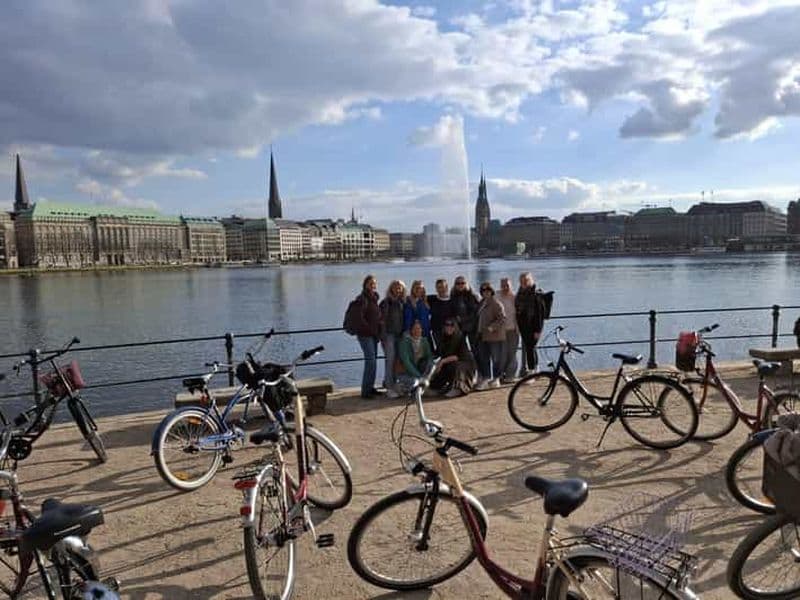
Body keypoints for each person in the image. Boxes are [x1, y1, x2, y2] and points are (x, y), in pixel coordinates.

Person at [352, 274, 383, 399]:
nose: (373, 285)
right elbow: (359, 318)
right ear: (365, 285)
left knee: (374, 361)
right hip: (365, 335)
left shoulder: (374, 298)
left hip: (374, 335)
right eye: (370, 283)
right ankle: (365, 391)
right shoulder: (362, 298)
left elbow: (376, 315)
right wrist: (369, 329)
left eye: (374, 283)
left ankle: (371, 387)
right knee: (370, 361)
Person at [430, 318, 477, 397]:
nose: (449, 327)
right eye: (447, 325)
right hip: (448, 363)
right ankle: (437, 387)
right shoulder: (443, 338)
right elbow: (437, 353)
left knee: (455, 366)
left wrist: (442, 362)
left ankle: (458, 388)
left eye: (452, 325)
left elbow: (459, 356)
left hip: (464, 365)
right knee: (441, 368)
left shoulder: (460, 338)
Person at [475, 282, 505, 390]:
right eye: (483, 291)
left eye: (487, 291)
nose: (485, 293)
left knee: (496, 358)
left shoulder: (496, 303)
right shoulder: (481, 303)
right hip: (482, 336)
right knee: (484, 358)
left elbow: (502, 319)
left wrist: (491, 327)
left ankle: (496, 378)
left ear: (491, 291)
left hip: (494, 336)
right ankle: (486, 378)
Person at [379, 279, 406, 399]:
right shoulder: (385, 303)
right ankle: (389, 387)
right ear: (391, 288)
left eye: (400, 287)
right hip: (388, 336)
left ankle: (395, 385)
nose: (398, 289)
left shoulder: (403, 302)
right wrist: (382, 338)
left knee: (397, 361)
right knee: (390, 361)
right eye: (396, 287)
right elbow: (381, 321)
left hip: (400, 335)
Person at [515, 271, 546, 377]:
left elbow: (540, 314)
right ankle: (535, 368)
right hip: (524, 326)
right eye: (522, 281)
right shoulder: (520, 293)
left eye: (526, 280)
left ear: (531, 280)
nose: (524, 282)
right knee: (531, 348)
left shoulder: (536, 294)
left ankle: (532, 370)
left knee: (530, 348)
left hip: (533, 326)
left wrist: (538, 330)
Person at [396, 320, 434, 393]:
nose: (417, 331)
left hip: (420, 372)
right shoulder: (404, 343)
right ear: (411, 330)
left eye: (419, 328)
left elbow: (429, 357)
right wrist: (419, 376)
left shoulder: (424, 341)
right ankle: (401, 387)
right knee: (416, 382)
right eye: (415, 329)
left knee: (431, 365)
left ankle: (421, 387)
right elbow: (406, 362)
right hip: (406, 373)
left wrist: (428, 373)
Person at [497, 277, 519, 383]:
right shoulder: (496, 296)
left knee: (512, 353)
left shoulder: (515, 297)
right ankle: (500, 375)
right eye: (503, 286)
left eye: (507, 285)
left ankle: (510, 375)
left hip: (513, 330)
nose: (505, 288)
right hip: (500, 330)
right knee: (501, 354)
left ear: (511, 286)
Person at [450, 275, 480, 353]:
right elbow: (452, 310)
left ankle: (477, 364)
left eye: (462, 283)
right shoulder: (453, 296)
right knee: (460, 349)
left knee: (476, 350)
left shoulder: (473, 296)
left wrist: (463, 319)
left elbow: (476, 312)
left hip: (473, 327)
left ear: (466, 284)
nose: (460, 285)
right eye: (458, 283)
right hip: (459, 328)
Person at [427, 278, 454, 350]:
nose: (441, 289)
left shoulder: (452, 300)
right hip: (437, 331)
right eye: (439, 287)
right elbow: (417, 297)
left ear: (447, 287)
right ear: (436, 289)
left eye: (443, 287)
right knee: (442, 351)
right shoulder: (431, 299)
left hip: (450, 331)